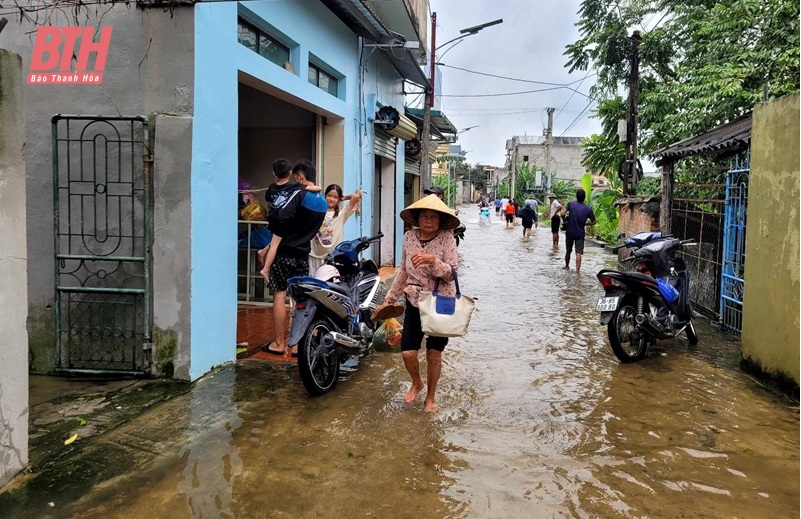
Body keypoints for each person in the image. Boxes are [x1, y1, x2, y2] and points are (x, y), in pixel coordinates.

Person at [383, 194, 460, 414]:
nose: (428, 220)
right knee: (407, 352)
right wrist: (390, 298)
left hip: (439, 303)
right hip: (414, 301)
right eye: (424, 216)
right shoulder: (409, 237)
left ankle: (430, 398)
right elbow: (404, 271)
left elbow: (452, 274)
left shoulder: (447, 239)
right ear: (417, 218)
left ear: (440, 220)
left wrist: (433, 261)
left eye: (433, 217)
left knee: (434, 353)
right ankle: (417, 382)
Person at [260, 160, 327, 357]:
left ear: (298, 177)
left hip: (284, 254)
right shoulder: (322, 202)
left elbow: (281, 219)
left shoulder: (299, 195)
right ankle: (298, 345)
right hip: (302, 255)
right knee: (300, 299)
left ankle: (280, 343)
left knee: (279, 295)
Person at [309, 184, 362, 274]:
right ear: (324, 196)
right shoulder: (318, 211)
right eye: (329, 196)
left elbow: (356, 197)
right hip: (314, 254)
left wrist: (343, 198)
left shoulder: (342, 215)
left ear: (339, 200)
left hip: (332, 256)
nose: (331, 199)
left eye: (335, 197)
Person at [560, 189, 596, 274]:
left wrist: (564, 220)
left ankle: (567, 266)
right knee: (579, 252)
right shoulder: (588, 209)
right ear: (584, 198)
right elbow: (594, 221)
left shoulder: (571, 204)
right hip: (580, 233)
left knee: (568, 250)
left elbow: (562, 213)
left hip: (570, 232)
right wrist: (586, 223)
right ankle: (577, 271)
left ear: (576, 196)